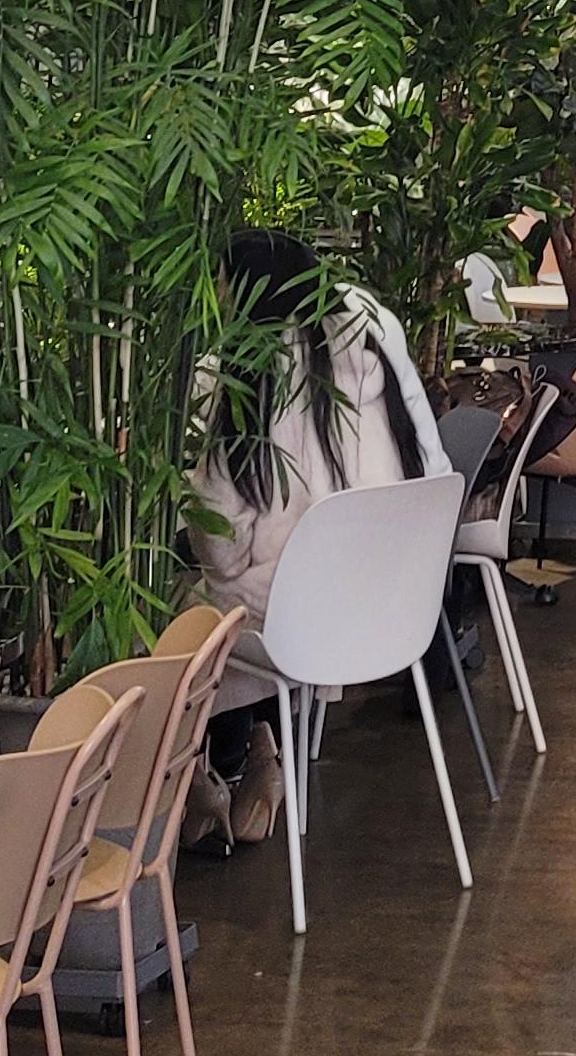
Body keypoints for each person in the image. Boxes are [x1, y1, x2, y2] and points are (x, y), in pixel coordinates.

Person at [186, 228, 452, 844]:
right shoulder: (375, 334)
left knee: (179, 607)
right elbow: (432, 470)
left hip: (301, 626)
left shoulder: (243, 370)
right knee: (248, 594)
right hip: (397, 610)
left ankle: (201, 773)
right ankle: (261, 753)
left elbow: (222, 552)